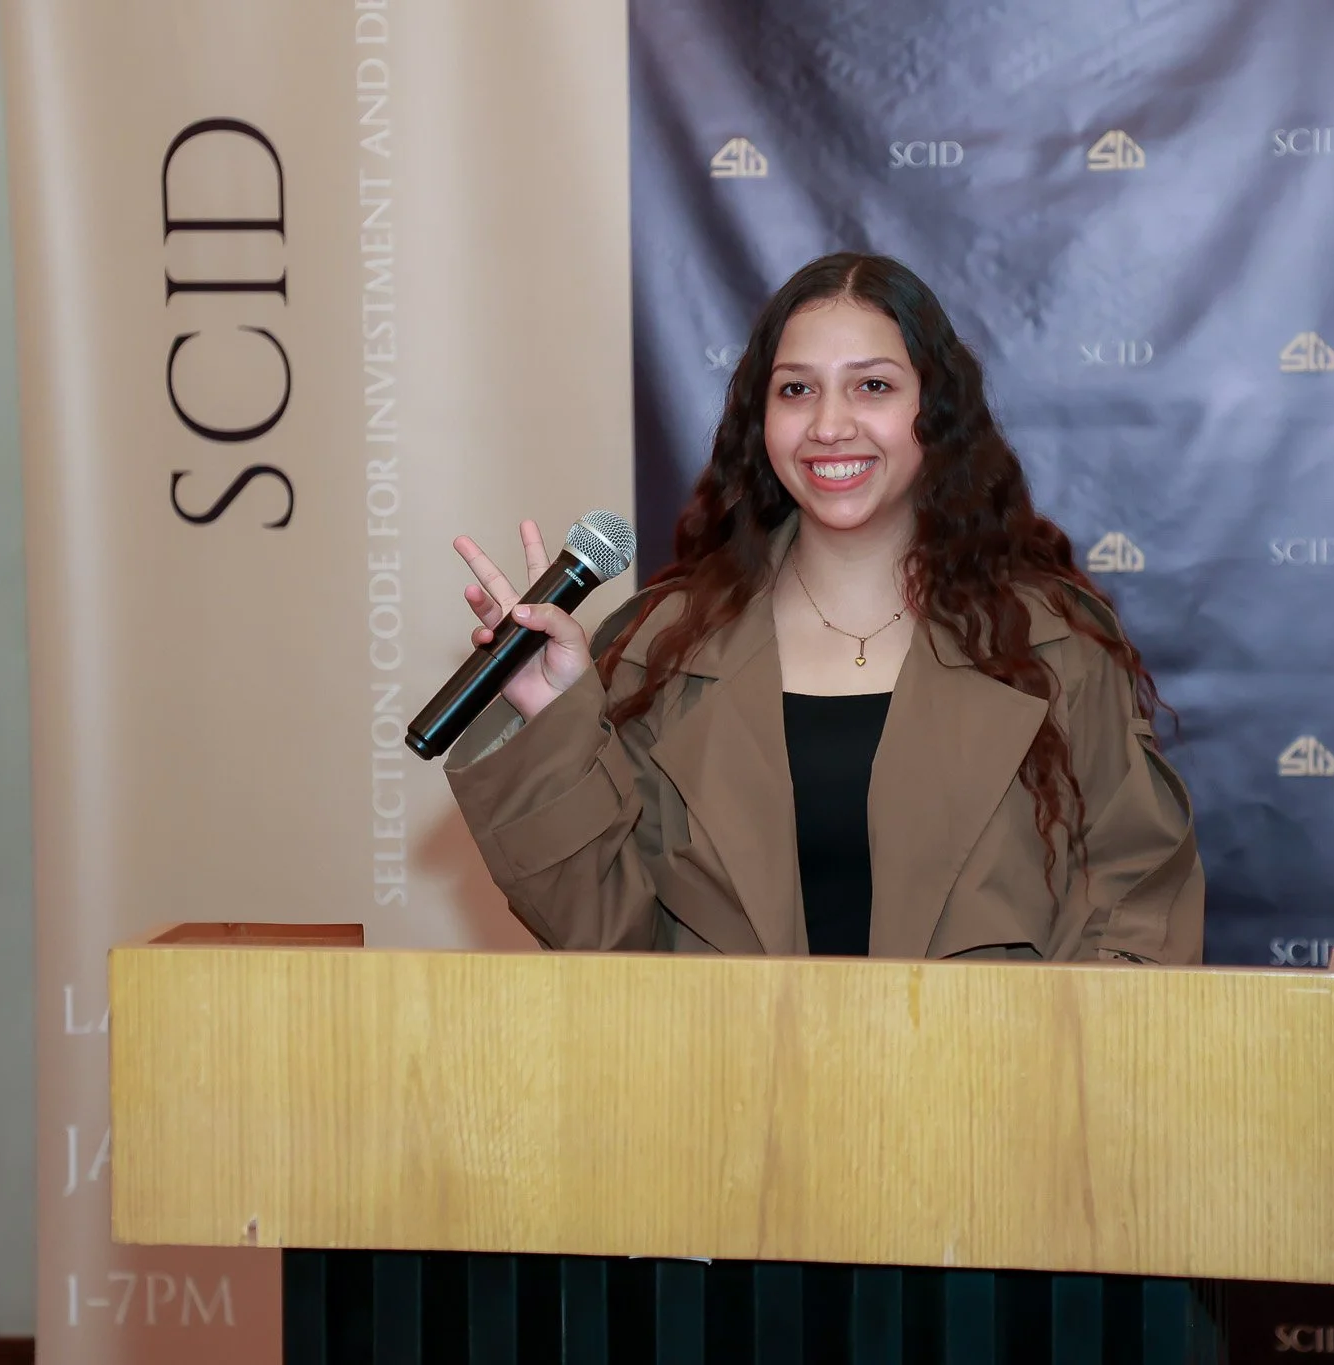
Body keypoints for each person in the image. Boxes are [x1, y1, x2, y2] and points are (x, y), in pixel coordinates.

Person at [442, 252, 1202, 963]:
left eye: (872, 386)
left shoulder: (1054, 647)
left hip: (990, 1095)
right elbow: (604, 939)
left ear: (935, 411)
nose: (829, 424)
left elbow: (1138, 914)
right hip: (730, 1093)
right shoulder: (659, 650)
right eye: (796, 389)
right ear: (759, 418)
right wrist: (555, 722)